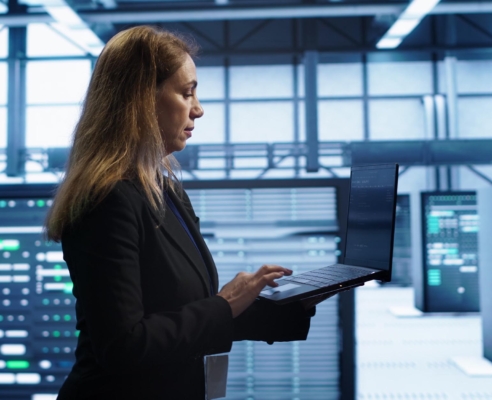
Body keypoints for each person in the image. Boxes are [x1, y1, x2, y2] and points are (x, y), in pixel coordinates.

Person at [45, 25, 324, 399]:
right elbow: (124, 345)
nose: (199, 108)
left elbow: (183, 316)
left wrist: (291, 304)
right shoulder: (107, 199)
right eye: (186, 92)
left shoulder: (163, 188)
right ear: (141, 100)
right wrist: (224, 304)